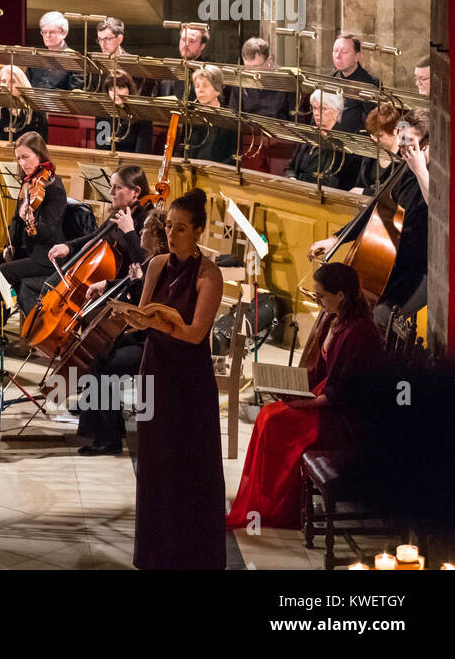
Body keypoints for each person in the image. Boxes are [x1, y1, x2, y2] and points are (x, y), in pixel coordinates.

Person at [225, 263, 382, 530]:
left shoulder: (359, 332)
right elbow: (321, 375)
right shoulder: (336, 319)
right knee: (268, 414)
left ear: (341, 295)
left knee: (275, 420)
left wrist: (298, 403)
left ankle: (279, 507)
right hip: (328, 403)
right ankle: (265, 500)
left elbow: (339, 395)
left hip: (344, 421)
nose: (318, 301)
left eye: (321, 296)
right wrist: (288, 388)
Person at [120, 188, 225, 570]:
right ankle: (154, 554)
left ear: (199, 231)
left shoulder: (209, 275)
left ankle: (192, 556)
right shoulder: (156, 265)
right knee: (154, 462)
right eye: (168, 226)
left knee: (189, 465)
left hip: (188, 380)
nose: (172, 233)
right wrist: (132, 317)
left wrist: (157, 324)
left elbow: (196, 334)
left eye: (181, 228)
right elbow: (144, 314)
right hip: (156, 369)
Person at [310, 112, 430, 331]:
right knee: (348, 307)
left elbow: (440, 208)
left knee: (377, 319)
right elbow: (376, 209)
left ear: (426, 144)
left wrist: (420, 169)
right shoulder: (404, 169)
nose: (402, 148)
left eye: (408, 142)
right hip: (393, 265)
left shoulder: (434, 174)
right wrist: (336, 239)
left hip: (422, 271)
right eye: (400, 138)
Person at [72, 207, 167, 456]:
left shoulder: (161, 265)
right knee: (98, 351)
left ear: (156, 237)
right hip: (145, 336)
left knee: (105, 363)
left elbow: (145, 307)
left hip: (155, 342)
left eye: (144, 229)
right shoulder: (151, 262)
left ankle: (109, 438)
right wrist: (109, 284)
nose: (139, 232)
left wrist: (135, 283)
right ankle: (99, 425)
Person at [0, 132, 68, 355]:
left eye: (26, 157)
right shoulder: (27, 183)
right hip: (24, 250)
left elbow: (47, 232)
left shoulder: (55, 189)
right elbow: (14, 222)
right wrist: (8, 245)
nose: (22, 164)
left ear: (39, 154)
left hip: (45, 257)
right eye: (19, 159)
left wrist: (30, 219)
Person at [24, 165, 154, 331]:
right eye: (111, 186)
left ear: (136, 191)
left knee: (86, 319)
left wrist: (129, 231)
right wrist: (68, 246)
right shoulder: (119, 212)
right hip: (102, 285)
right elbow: (94, 237)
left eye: (117, 187)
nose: (111, 192)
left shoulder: (147, 219)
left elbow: (145, 262)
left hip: (122, 289)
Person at [25, 11, 85, 138]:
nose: (47, 36)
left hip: (60, 119)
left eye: (51, 32)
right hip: (32, 116)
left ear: (64, 33)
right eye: (44, 32)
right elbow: (26, 87)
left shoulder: (75, 59)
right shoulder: (36, 59)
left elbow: (75, 94)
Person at [285, 90, 347, 189]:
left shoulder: (340, 143)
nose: (317, 113)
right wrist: (292, 178)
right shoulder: (308, 135)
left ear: (336, 112)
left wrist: (300, 186)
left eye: (323, 109)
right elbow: (290, 167)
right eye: (314, 108)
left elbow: (330, 182)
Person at [177, 66, 236, 165]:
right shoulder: (190, 115)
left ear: (217, 90)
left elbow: (234, 157)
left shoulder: (230, 119)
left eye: (204, 86)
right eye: (197, 86)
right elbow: (181, 150)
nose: (200, 90)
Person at [229, 37, 289, 120]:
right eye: (247, 67)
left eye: (256, 67)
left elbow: (296, 120)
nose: (251, 72)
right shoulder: (240, 81)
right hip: (249, 130)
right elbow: (233, 116)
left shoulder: (286, 81)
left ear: (269, 60)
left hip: (278, 130)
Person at [330, 33, 378, 135]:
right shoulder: (330, 79)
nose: (338, 56)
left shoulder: (370, 83)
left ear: (357, 56)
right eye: (335, 51)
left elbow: (372, 122)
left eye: (344, 52)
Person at [94, 72, 153, 153]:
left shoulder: (142, 116)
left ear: (130, 90)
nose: (116, 94)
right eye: (111, 89)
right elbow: (101, 148)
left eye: (120, 88)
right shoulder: (103, 114)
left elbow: (142, 153)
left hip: (133, 163)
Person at [0, 65, 42, 143]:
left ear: (21, 84)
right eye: (3, 81)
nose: (7, 86)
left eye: (12, 81)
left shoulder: (35, 110)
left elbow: (40, 145)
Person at [154, 25, 208, 99]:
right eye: (183, 39)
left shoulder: (208, 73)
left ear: (202, 46)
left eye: (192, 41)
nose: (186, 44)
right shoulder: (168, 70)